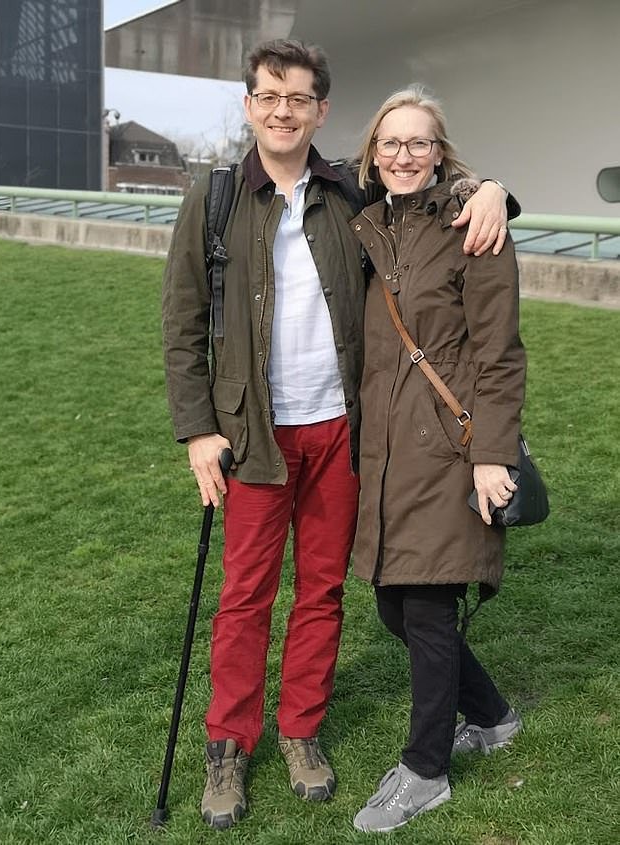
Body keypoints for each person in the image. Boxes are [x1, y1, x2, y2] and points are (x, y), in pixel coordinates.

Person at [162, 40, 512, 830]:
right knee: (245, 595)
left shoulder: (348, 190)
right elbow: (181, 324)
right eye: (268, 97)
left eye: (299, 99)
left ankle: (301, 729)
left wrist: (489, 188)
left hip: (343, 434)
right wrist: (196, 432)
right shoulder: (213, 198)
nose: (282, 111)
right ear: (250, 105)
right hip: (253, 437)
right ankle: (229, 743)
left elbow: (421, 178)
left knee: (321, 593)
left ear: (321, 111)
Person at [348, 85, 527, 833]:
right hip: (386, 450)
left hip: (449, 450)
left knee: (423, 607)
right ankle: (490, 714)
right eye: (391, 143)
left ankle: (425, 770)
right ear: (372, 152)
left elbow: (500, 354)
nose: (403, 155)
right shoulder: (369, 219)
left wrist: (492, 456)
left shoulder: (471, 225)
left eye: (419, 142)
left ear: (440, 149)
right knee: (396, 605)